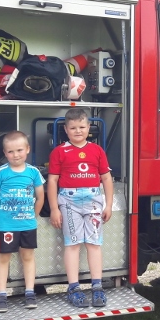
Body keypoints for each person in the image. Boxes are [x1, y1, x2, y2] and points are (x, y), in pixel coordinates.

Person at [47, 108, 114, 308]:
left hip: (93, 201)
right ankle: (74, 288)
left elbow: (106, 178)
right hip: (69, 202)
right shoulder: (59, 152)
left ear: (89, 127)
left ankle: (97, 286)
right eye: (73, 128)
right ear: (66, 130)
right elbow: (52, 181)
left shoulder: (97, 150)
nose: (78, 131)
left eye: (82, 127)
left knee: (94, 243)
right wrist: (54, 208)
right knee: (73, 244)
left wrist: (108, 204)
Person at [0, 131, 45, 313]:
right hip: (5, 226)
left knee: (28, 257)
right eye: (10, 151)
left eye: (19, 150)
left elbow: (40, 197)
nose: (15, 155)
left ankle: (30, 292)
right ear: (5, 153)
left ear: (27, 149)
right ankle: (2, 295)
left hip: (27, 224)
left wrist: (33, 217)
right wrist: (0, 217)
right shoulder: (1, 172)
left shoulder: (33, 172)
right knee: (4, 258)